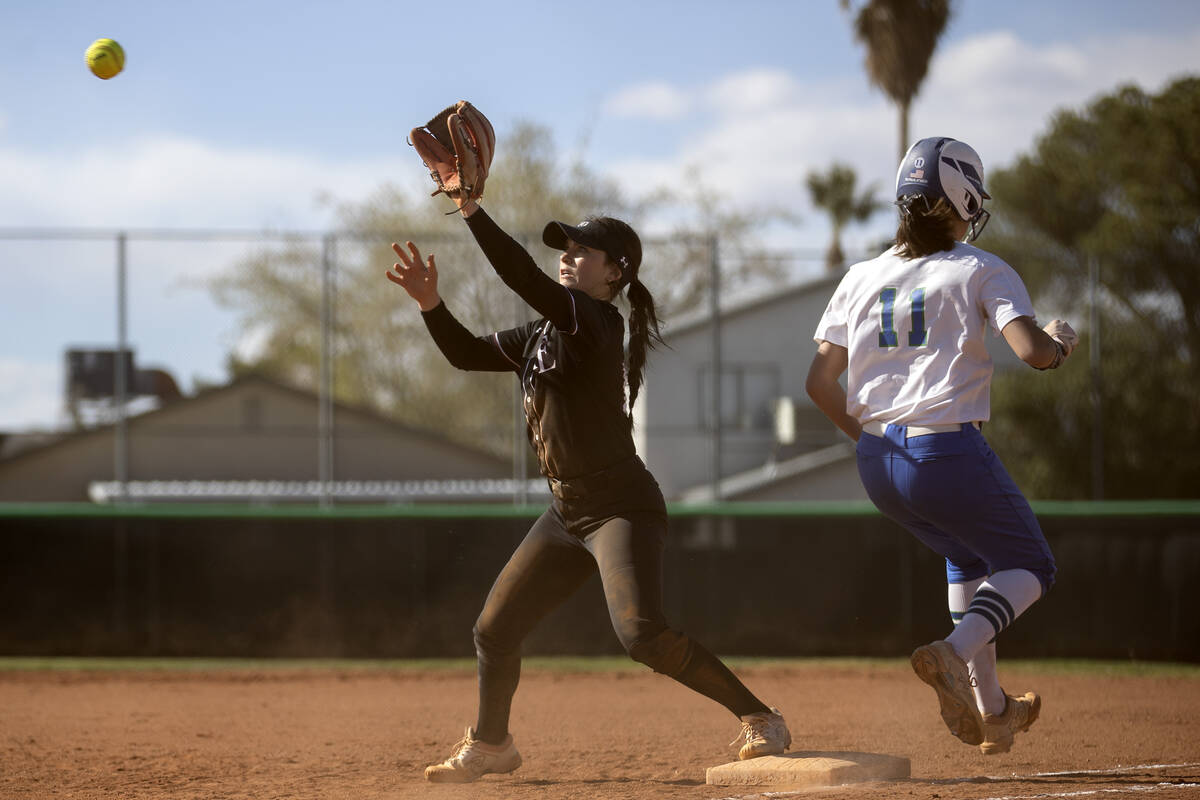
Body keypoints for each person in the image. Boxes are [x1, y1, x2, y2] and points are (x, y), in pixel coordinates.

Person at [385, 190, 790, 783]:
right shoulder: (542, 334)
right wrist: (430, 304)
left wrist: (471, 209)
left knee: (641, 635)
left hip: (620, 506)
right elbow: (467, 355)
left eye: (584, 250)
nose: (569, 256)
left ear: (616, 273)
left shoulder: (596, 322)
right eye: (567, 249)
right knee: (493, 631)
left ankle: (762, 718)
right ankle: (492, 744)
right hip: (566, 511)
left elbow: (522, 276)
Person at [805, 137, 1076, 756]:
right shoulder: (980, 267)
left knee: (968, 562)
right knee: (1032, 567)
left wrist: (873, 441)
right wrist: (1060, 342)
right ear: (961, 197)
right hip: (946, 452)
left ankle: (995, 711)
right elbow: (1032, 354)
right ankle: (952, 655)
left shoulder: (860, 275)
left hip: (878, 462)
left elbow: (820, 383)